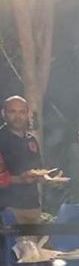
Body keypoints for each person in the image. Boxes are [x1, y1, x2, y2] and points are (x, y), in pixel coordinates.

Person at [0, 96, 47, 224]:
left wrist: (46, 178)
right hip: (7, 209)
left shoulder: (32, 140)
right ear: (3, 113)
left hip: (33, 208)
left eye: (22, 112)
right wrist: (20, 179)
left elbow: (38, 169)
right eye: (12, 111)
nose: (18, 117)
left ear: (27, 114)